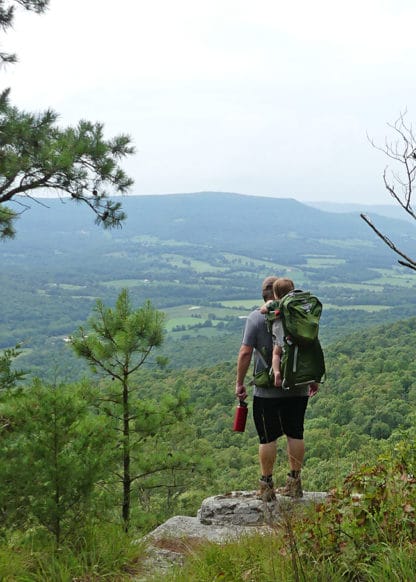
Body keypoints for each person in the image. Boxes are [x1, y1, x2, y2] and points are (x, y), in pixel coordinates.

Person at [235, 276, 318, 502]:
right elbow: (309, 347)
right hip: (297, 385)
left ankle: (267, 486)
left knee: (267, 437)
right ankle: (294, 482)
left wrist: (239, 383)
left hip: (267, 390)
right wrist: (312, 377)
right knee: (295, 432)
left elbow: (244, 353)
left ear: (264, 295)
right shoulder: (300, 314)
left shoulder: (256, 317)